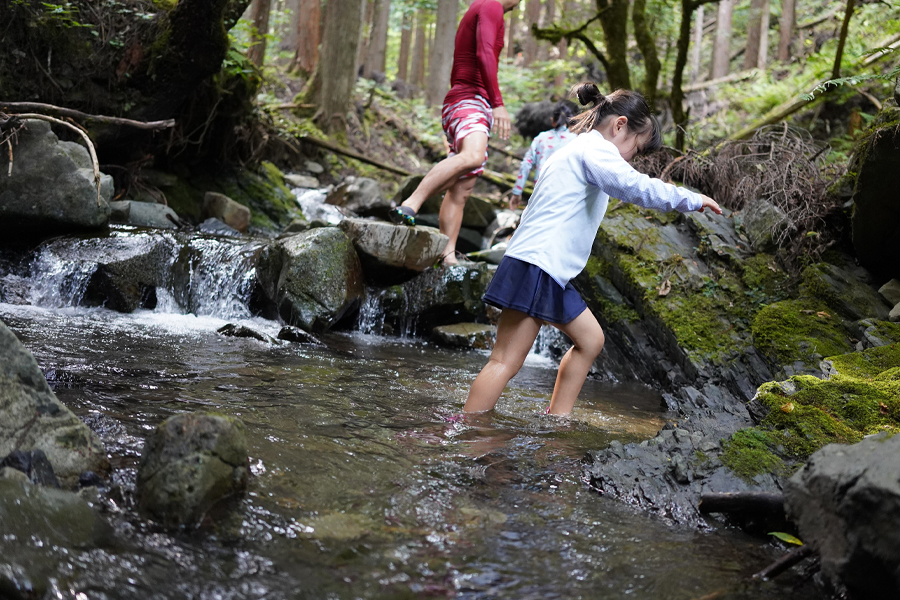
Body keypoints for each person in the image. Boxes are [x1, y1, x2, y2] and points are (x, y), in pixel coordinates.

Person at [464, 83, 722, 416]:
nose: (633, 159)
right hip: (538, 264)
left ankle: (557, 420)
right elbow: (632, 186)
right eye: (637, 149)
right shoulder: (596, 150)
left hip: (541, 264)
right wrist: (691, 199)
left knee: (591, 340)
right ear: (620, 126)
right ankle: (466, 432)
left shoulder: (573, 149)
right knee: (506, 361)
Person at [390, 0, 520, 264]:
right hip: (468, 99)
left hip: (470, 101)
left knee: (462, 188)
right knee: (472, 156)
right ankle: (411, 203)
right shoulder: (490, 5)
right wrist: (498, 104)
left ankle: (447, 256)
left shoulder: (488, 9)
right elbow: (484, 52)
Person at [509, 100, 578, 211]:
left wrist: (517, 192)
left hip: (541, 191)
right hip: (567, 193)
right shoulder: (577, 140)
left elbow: (526, 165)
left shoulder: (541, 138)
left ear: (552, 121)